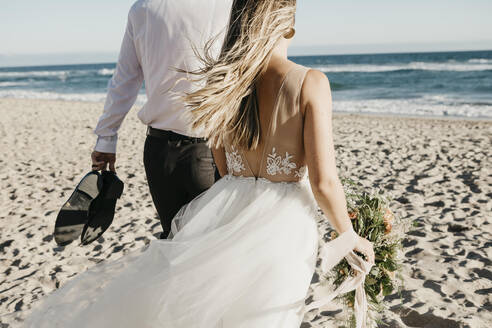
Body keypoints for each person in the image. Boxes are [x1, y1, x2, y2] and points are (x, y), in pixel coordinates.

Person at [25, 0, 375, 327]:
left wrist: (106, 139)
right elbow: (324, 183)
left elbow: (219, 159)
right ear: (289, 27)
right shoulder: (309, 81)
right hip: (275, 215)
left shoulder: (217, 76)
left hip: (200, 182)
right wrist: (348, 235)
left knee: (200, 284)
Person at [91, 0, 233, 239]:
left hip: (159, 153)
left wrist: (106, 139)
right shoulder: (229, 5)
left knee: (173, 241)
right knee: (213, 247)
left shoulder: (143, 8)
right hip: (212, 149)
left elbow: (124, 81)